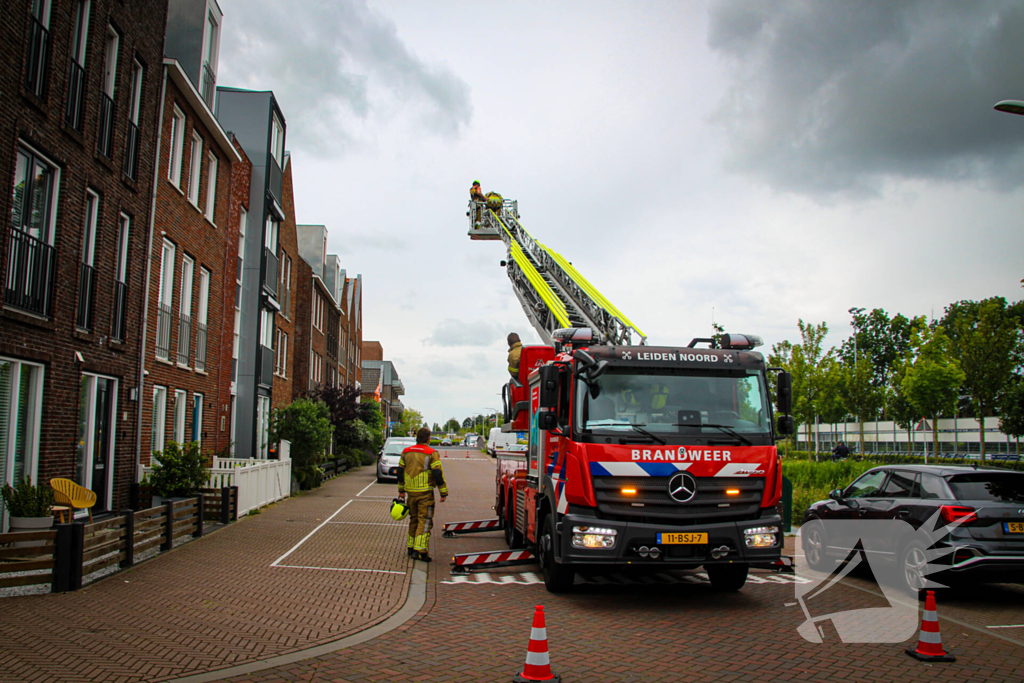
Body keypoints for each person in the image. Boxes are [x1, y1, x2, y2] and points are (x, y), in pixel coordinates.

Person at [397, 427, 448, 562]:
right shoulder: (432, 453)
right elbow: (437, 473)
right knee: (424, 520)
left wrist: (401, 490)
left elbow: (400, 471)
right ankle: (420, 551)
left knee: (413, 519)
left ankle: (410, 546)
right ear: (428, 438)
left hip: (410, 492)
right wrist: (443, 491)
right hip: (425, 492)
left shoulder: (406, 452)